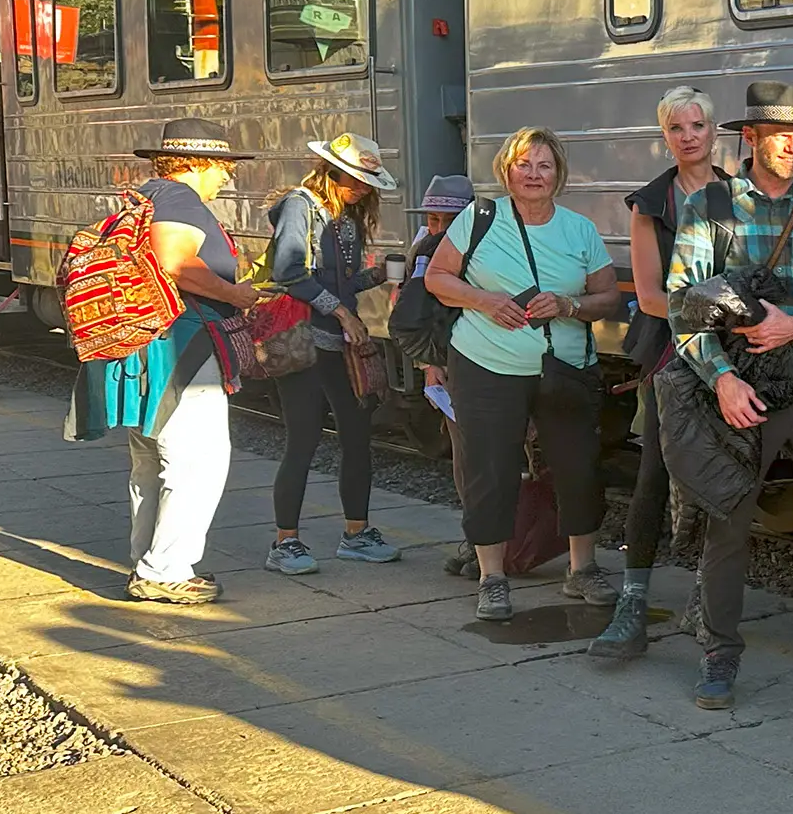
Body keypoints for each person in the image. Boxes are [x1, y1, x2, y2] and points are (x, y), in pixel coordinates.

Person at [665, 81, 793, 710]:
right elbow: (683, 305)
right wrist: (721, 380)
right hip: (741, 393)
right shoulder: (710, 206)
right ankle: (719, 651)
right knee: (728, 526)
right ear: (752, 138)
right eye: (783, 135)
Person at [422, 126, 622, 622]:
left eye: (544, 166)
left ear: (559, 174)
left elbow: (608, 297)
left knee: (578, 468)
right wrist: (484, 300)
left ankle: (582, 568)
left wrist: (570, 305)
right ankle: (492, 577)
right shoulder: (479, 219)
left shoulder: (579, 230)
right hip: (485, 365)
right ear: (506, 172)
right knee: (490, 470)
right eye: (523, 165)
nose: (533, 174)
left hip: (565, 369)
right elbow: (437, 278)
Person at [72, 119, 263, 604]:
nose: (227, 176)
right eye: (222, 167)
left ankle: (149, 560)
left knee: (150, 461)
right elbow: (175, 262)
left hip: (149, 348)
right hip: (181, 350)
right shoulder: (180, 199)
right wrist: (235, 294)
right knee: (197, 461)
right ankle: (165, 570)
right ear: (196, 164)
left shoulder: (147, 197)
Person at [590, 86, 723, 661]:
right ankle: (633, 601)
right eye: (676, 128)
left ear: (713, 130)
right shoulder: (649, 203)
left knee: (724, 476)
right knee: (654, 473)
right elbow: (648, 296)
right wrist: (716, 317)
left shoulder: (739, 194)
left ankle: (706, 596)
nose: (688, 136)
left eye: (697, 125)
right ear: (664, 136)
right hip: (671, 351)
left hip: (733, 354)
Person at [262, 134, 402, 575]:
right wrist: (342, 312)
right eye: (352, 179)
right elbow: (289, 273)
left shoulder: (347, 218)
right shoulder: (299, 205)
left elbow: (342, 282)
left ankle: (356, 533)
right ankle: (284, 542)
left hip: (340, 345)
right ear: (330, 172)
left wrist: (379, 275)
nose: (360, 188)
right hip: (303, 340)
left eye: (366, 182)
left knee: (358, 437)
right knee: (302, 440)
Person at [399, 175, 482, 580]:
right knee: (467, 458)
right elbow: (414, 315)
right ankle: (478, 540)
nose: (438, 228)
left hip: (492, 362)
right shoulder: (424, 251)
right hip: (452, 365)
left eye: (448, 220)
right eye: (433, 219)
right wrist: (431, 364)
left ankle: (497, 542)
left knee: (490, 458)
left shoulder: (487, 249)